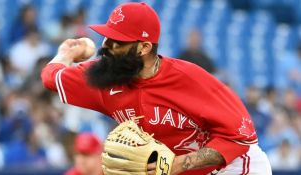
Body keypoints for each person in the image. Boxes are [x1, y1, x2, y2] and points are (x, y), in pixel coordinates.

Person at [41, 2, 271, 175]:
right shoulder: (104, 77)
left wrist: (177, 164)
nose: (106, 46)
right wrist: (66, 53)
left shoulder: (189, 78)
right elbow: (51, 78)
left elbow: (241, 137)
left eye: (117, 41)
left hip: (235, 168)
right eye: (106, 37)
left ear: (143, 47)